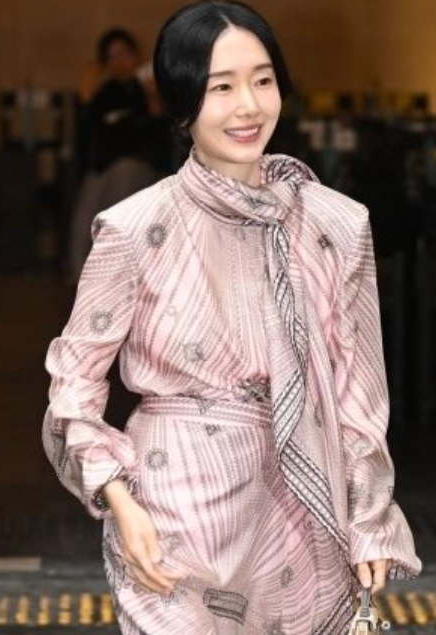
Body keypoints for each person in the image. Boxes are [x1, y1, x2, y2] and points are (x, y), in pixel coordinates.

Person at [42, 2, 422, 633]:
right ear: (182, 103)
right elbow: (74, 385)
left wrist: (369, 519)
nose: (248, 106)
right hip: (173, 519)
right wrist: (121, 501)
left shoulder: (336, 223)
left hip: (303, 516)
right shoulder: (135, 229)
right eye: (221, 88)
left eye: (263, 80)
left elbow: (358, 392)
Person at [68, 28, 161, 282]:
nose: (119, 61)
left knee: (121, 184)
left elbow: (162, 133)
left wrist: (154, 99)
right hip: (103, 166)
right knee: (83, 222)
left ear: (136, 55)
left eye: (124, 54)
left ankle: (115, 280)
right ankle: (84, 283)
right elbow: (86, 133)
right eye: (111, 57)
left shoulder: (151, 88)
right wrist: (85, 97)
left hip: (138, 165)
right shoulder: (105, 92)